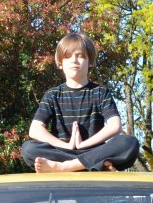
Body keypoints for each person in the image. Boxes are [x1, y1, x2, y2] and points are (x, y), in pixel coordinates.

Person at [21, 32, 139, 173]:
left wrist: (84, 144)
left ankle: (67, 167)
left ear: (90, 61)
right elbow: (35, 129)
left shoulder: (100, 92)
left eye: (80, 56)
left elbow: (115, 126)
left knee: (129, 142)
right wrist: (67, 146)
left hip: (94, 151)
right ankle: (96, 164)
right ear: (60, 63)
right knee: (28, 148)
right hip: (63, 153)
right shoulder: (52, 95)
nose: (74, 60)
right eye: (68, 56)